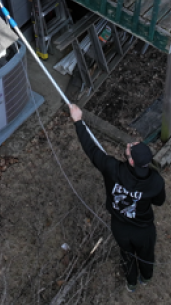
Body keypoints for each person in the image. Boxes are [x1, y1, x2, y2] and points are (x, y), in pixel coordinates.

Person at [69, 104, 165, 291]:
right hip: (144, 229)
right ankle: (146, 277)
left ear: (131, 161)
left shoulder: (112, 169)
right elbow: (159, 201)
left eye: (130, 148)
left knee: (127, 255)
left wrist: (78, 121)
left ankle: (131, 282)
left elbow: (91, 150)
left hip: (120, 226)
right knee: (146, 253)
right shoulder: (155, 182)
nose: (129, 145)